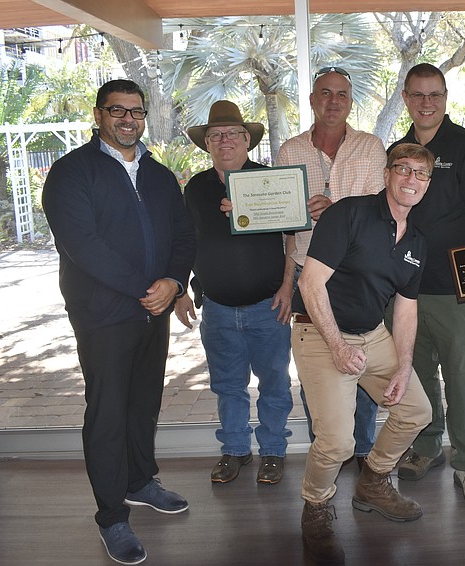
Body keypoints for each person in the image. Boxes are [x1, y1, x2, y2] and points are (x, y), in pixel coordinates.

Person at [42, 79, 196, 565]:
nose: (128, 120)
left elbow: (183, 235)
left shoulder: (160, 175)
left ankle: (139, 481)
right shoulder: (71, 173)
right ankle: (111, 516)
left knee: (143, 400)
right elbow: (82, 245)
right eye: (117, 111)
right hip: (104, 313)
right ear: (98, 115)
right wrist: (145, 290)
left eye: (136, 111)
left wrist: (173, 280)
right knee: (108, 410)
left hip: (154, 309)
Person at [293, 143, 434, 564]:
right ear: (387, 174)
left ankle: (373, 481)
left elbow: (406, 308)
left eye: (420, 174)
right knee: (336, 441)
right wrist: (336, 345)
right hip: (320, 333)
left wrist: (403, 367)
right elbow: (310, 284)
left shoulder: (417, 242)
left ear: (427, 184)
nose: (411, 179)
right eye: (403, 170)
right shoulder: (349, 214)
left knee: (416, 411)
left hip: (372, 336)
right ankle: (315, 506)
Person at [390, 63, 465, 509]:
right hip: (405, 288)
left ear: (446, 97)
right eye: (417, 95)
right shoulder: (399, 150)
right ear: (405, 98)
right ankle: (427, 445)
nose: (426, 103)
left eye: (434, 94)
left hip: (455, 290)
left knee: (459, 381)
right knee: (417, 378)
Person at [174, 101, 294, 485]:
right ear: (207, 143)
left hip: (268, 305)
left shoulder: (270, 182)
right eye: (216, 135)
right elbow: (185, 241)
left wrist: (289, 286)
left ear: (247, 141)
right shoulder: (196, 188)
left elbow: (292, 237)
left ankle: (273, 452)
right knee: (227, 385)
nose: (225, 141)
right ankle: (235, 450)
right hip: (219, 308)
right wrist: (182, 289)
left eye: (233, 134)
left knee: (274, 384)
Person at [277, 66, 387, 468]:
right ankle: (325, 453)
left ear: (351, 101)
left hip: (359, 275)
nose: (333, 101)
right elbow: (284, 226)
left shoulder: (372, 148)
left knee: (361, 366)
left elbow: (383, 213)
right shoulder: (290, 152)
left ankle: (362, 454)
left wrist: (338, 211)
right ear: (312, 100)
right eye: (325, 93)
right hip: (310, 275)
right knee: (318, 374)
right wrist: (286, 284)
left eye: (341, 94)